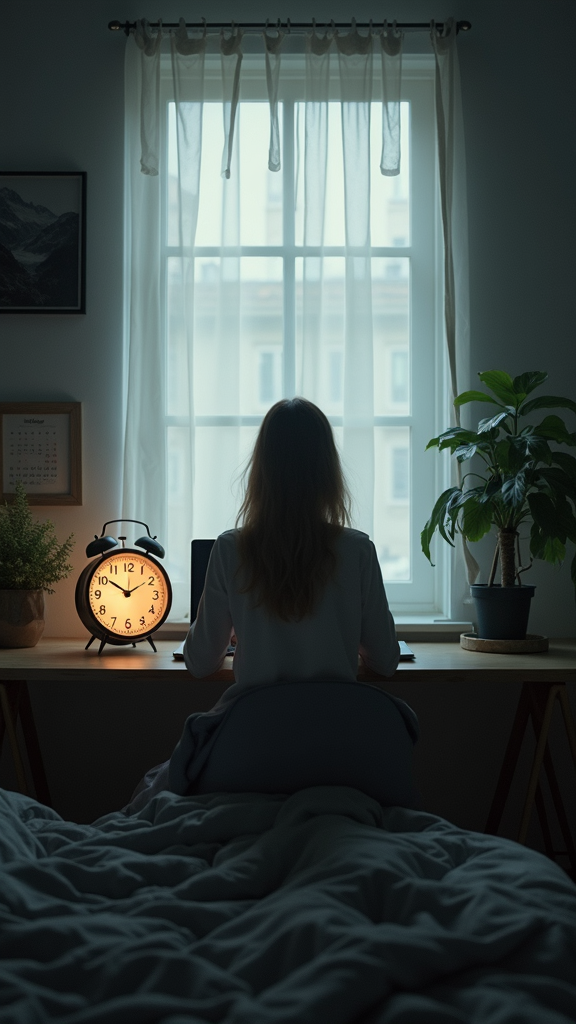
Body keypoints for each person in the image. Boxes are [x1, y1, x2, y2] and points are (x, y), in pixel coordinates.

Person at [183, 397, 401, 688]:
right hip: (332, 729)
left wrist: (241, 626)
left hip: (256, 727)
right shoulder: (356, 550)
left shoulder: (230, 549)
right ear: (327, 472)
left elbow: (200, 663)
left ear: (261, 470)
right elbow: (385, 662)